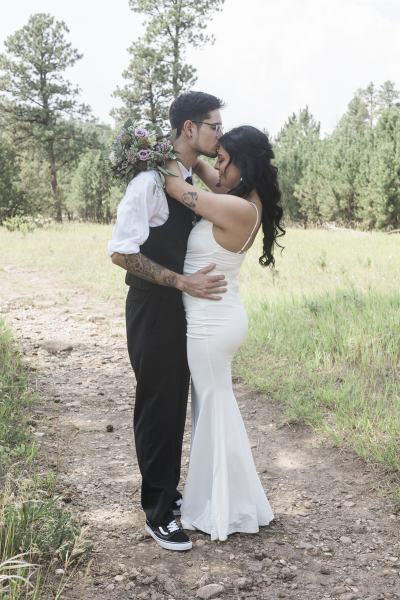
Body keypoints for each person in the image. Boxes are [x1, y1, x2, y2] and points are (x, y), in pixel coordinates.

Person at [108, 91, 227, 551]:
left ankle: (168, 493)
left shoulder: (183, 173)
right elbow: (121, 251)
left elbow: (227, 190)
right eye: (214, 125)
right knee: (159, 407)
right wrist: (180, 283)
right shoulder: (149, 184)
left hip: (182, 309)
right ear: (190, 129)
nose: (220, 133)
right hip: (153, 309)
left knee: (177, 403)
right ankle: (158, 513)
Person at [164, 125, 285, 541]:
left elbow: (177, 186)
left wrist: (146, 153)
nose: (217, 166)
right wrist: (199, 144)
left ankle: (223, 509)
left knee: (214, 411)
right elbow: (199, 165)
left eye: (224, 159)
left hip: (212, 325)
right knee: (214, 409)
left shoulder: (236, 209)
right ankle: (221, 499)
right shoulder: (241, 198)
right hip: (217, 317)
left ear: (243, 166)